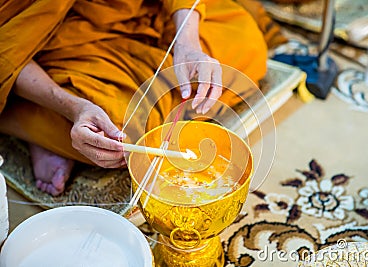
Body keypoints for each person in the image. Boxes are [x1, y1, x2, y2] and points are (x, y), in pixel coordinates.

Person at [0, 0, 286, 196]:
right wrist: (75, 108)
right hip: (59, 39)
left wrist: (187, 42)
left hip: (148, 13)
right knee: (120, 132)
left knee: (245, 44)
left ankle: (58, 129)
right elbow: (7, 48)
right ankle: (40, 116)